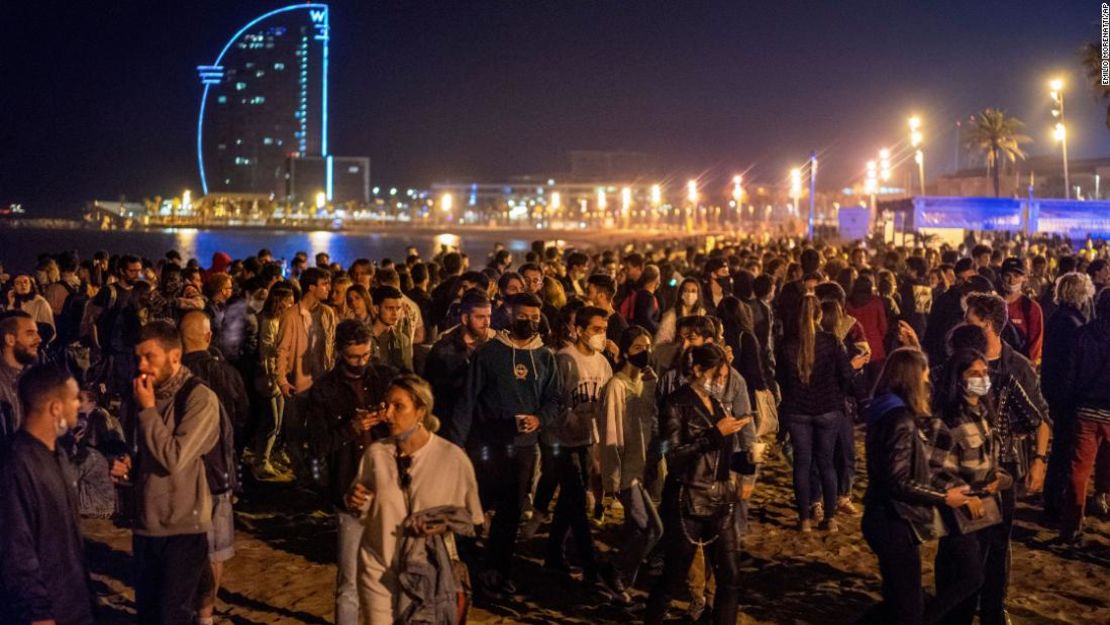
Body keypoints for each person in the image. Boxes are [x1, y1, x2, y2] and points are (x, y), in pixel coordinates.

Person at [446, 292, 561, 599]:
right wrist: (455, 448)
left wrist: (539, 419)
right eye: (523, 316)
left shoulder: (545, 356)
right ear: (509, 315)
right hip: (487, 445)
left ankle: (498, 572)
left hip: (522, 449)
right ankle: (466, 568)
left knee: (509, 516)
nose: (529, 322)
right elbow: (467, 401)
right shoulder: (490, 353)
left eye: (535, 318)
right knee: (475, 509)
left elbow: (555, 399)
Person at [346, 374, 483, 624]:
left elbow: (472, 519)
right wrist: (354, 500)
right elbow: (362, 507)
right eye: (386, 405)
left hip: (427, 576)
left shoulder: (451, 459)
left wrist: (443, 525)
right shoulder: (376, 454)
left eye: (398, 406)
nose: (387, 414)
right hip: (378, 570)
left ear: (420, 410)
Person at [114, 320, 219, 625]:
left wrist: (147, 410)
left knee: (170, 617)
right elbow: (146, 452)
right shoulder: (142, 395)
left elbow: (174, 458)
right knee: (148, 615)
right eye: (138, 358)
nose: (142, 366)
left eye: (150, 357)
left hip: (183, 527)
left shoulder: (199, 399)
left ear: (175, 356)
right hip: (146, 524)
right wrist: (129, 467)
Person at [860, 348, 972, 625]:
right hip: (893, 520)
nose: (927, 380)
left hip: (882, 516)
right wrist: (943, 497)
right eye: (923, 374)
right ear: (912, 377)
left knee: (898, 604)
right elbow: (897, 480)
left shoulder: (884, 411)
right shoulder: (901, 420)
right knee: (909, 611)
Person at [645, 344, 750, 625]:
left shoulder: (717, 404)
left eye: (724, 377)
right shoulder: (676, 403)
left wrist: (746, 459)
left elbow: (721, 456)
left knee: (730, 576)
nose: (720, 382)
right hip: (688, 498)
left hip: (720, 498)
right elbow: (675, 455)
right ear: (697, 370)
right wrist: (714, 434)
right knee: (674, 575)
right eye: (716, 375)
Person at [963, 293, 1049, 624]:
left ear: (986, 324)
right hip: (965, 467)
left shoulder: (1015, 366)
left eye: (969, 319)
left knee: (996, 545)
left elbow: (1041, 416)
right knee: (964, 543)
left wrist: (1039, 461)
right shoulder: (965, 360)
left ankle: (993, 608)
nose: (964, 324)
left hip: (1001, 469)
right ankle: (964, 604)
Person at [305, 320, 397, 625]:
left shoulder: (386, 378)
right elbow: (318, 446)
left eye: (365, 355)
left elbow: (411, 423)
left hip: (389, 488)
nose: (360, 363)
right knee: (349, 581)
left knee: (390, 574)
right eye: (353, 357)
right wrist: (352, 428)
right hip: (350, 489)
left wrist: (389, 416)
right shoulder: (325, 390)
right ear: (339, 353)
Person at [0, 364, 95, 625]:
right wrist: (38, 612)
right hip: (48, 611)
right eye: (74, 397)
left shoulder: (58, 455)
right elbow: (16, 548)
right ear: (55, 408)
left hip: (72, 602)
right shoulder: (17, 464)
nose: (79, 404)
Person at [929, 348, 1008, 625]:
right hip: (960, 511)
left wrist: (998, 477)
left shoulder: (983, 413)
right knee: (967, 577)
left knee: (972, 586)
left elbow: (987, 457)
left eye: (985, 372)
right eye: (974, 373)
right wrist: (962, 494)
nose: (982, 378)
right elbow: (935, 469)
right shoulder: (947, 419)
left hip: (986, 509)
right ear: (959, 377)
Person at [546, 305, 619, 597]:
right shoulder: (564, 360)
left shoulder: (602, 363)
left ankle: (553, 553)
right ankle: (590, 565)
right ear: (580, 330)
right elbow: (556, 401)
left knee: (569, 500)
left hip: (589, 440)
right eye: (595, 330)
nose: (601, 336)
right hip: (563, 442)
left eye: (604, 330)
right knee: (576, 499)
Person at [779, 294, 863, 532]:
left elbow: (781, 380)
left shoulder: (786, 344)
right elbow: (846, 375)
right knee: (826, 463)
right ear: (819, 315)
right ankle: (830, 518)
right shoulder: (831, 341)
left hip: (797, 410)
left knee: (802, 464)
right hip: (827, 408)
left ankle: (805, 518)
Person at [601, 326, 662, 594]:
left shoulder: (648, 382)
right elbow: (610, 436)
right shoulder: (616, 386)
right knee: (647, 526)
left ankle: (623, 576)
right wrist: (611, 483)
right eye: (638, 348)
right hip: (625, 470)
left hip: (642, 467)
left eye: (648, 346)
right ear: (625, 352)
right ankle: (617, 572)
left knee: (649, 528)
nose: (645, 352)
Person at [1041, 272, 1093, 521]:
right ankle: (1055, 503)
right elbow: (1071, 364)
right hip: (1066, 396)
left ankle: (1052, 499)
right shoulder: (1072, 323)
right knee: (1065, 451)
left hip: (1055, 391)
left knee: (1061, 449)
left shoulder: (1058, 317)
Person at [1060, 288, 1110, 544]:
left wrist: (1069, 403)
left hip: (1086, 410)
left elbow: (1070, 374)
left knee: (1079, 470)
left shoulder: (1083, 334)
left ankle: (1071, 525)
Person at [276, 267, 337, 478]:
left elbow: (331, 347)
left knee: (319, 432)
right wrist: (282, 380)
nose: (328, 288)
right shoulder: (291, 315)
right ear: (311, 287)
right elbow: (282, 349)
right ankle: (300, 474)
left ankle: (315, 475)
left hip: (322, 383)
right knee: (294, 432)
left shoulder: (328, 314)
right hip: (298, 384)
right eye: (324, 284)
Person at [424, 290, 494, 442]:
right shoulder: (444, 350)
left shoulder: (494, 345)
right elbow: (439, 395)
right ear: (464, 318)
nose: (486, 322)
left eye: (488, 316)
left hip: (487, 429)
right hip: (454, 428)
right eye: (480, 317)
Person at [252, 284, 294, 478]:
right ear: (280, 301)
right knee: (271, 420)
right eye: (288, 300)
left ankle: (269, 456)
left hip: (278, 376)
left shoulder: (280, 320)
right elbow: (266, 351)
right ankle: (261, 461)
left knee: (278, 422)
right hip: (269, 378)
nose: (292, 304)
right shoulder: (269, 321)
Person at [0, 311, 41, 446]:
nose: (39, 339)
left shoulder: (35, 377)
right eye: (30, 334)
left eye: (37, 333)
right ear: (10, 340)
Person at [998, 258, 1044, 365]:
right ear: (1001, 277)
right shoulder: (992, 305)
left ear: (1024, 278)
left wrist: (1025, 367)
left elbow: (1036, 343)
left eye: (1016, 276)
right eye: (1007, 275)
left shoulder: (1031, 308)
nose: (1012, 280)